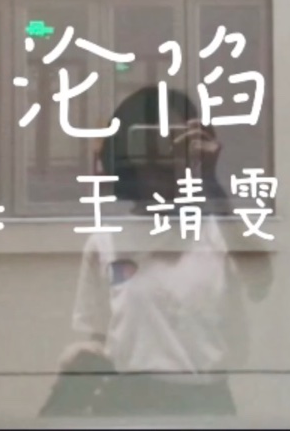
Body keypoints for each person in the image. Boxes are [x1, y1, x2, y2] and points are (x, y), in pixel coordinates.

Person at [40, 85, 273, 418]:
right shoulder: (105, 241)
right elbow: (101, 338)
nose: (159, 157)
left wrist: (211, 182)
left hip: (206, 404)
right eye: (146, 142)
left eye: (172, 141)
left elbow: (261, 282)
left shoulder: (220, 231)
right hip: (126, 403)